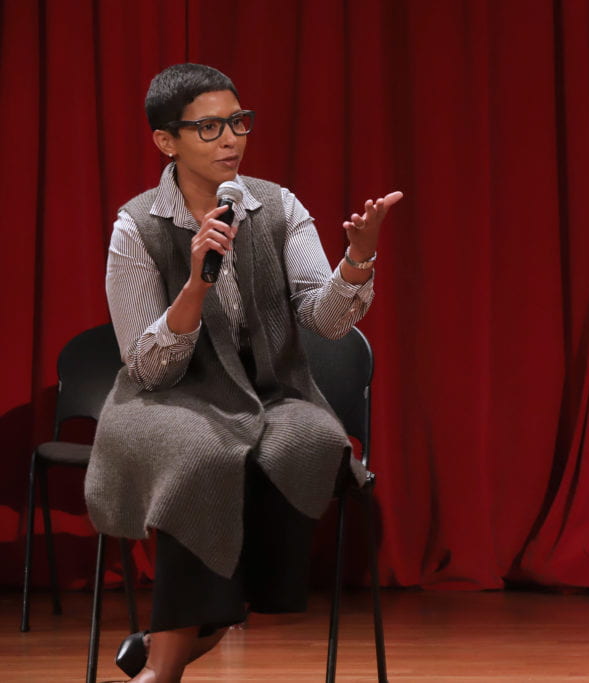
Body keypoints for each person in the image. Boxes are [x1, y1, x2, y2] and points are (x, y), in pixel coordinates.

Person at [84, 63, 401, 683]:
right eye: (208, 128)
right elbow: (148, 367)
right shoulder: (138, 226)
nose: (230, 139)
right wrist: (196, 286)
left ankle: (176, 642)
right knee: (200, 453)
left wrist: (358, 261)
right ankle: (165, 670)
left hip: (271, 393)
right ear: (166, 141)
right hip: (167, 401)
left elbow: (326, 320)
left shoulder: (278, 206)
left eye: (237, 122)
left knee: (309, 439)